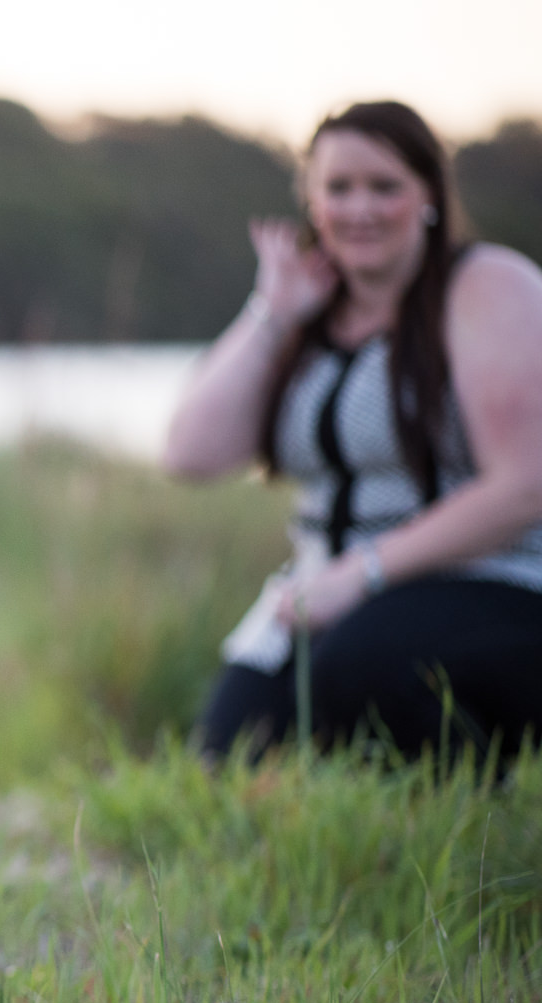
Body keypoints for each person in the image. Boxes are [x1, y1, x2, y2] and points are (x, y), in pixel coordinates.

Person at [164, 101, 542, 766]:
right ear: (312, 202)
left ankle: (482, 805)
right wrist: (271, 315)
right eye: (339, 188)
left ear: (428, 193)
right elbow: (189, 455)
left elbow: (526, 486)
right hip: (322, 594)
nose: (360, 208)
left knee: (362, 662)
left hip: (495, 584)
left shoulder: (486, 285)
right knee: (227, 756)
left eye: (384, 186)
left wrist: (364, 572)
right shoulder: (304, 311)